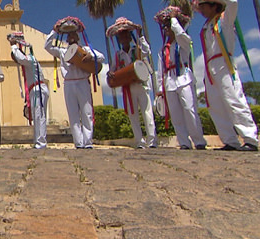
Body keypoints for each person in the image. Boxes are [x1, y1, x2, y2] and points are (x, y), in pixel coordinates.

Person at [194, 0, 259, 151]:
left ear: (214, 6)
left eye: (204, 6)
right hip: (210, 66)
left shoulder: (224, 20)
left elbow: (233, 3)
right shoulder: (206, 26)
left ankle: (250, 139)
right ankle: (230, 140)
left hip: (224, 63)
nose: (201, 10)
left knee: (233, 99)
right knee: (215, 105)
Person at [44, 18, 104, 149]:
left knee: (86, 112)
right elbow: (47, 46)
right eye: (69, 34)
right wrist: (54, 31)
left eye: (73, 34)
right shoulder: (62, 51)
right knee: (73, 114)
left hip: (83, 82)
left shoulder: (86, 49)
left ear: (77, 36)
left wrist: (91, 57)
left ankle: (88, 142)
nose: (71, 36)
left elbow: (101, 57)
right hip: (69, 84)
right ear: (66, 38)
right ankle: (79, 142)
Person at [154, 7, 207, 150]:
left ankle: (199, 141)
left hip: (183, 77)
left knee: (190, 109)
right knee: (176, 114)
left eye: (168, 26)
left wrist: (174, 20)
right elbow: (160, 70)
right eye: (164, 26)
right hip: (169, 81)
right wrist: (160, 88)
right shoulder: (163, 49)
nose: (166, 29)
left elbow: (181, 35)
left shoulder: (183, 42)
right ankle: (184, 142)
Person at [107, 18, 157, 149]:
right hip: (128, 87)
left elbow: (147, 51)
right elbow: (113, 70)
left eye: (125, 34)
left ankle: (152, 141)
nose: (123, 37)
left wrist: (140, 35)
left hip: (141, 84)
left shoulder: (138, 49)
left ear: (130, 36)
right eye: (121, 36)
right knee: (133, 115)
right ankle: (140, 142)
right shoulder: (118, 55)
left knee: (147, 112)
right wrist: (110, 74)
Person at [9, 35, 49, 149]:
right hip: (34, 90)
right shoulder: (27, 64)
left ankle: (41, 142)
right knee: (37, 116)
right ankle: (38, 141)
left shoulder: (30, 59)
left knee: (39, 115)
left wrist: (13, 46)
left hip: (38, 89)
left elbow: (20, 58)